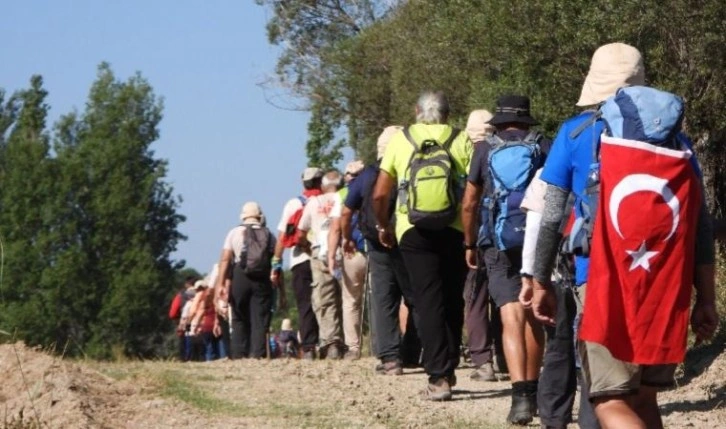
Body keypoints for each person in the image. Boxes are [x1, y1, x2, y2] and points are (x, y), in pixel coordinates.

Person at [530, 43, 718, 429]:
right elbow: (699, 224)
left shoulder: (576, 132)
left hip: (601, 281)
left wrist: (538, 280)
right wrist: (706, 298)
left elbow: (551, 217)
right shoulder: (676, 143)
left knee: (610, 401)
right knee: (645, 399)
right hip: (665, 285)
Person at [372, 91, 472, 400]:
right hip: (454, 227)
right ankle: (450, 364)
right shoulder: (461, 138)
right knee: (453, 299)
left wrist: (384, 225)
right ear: (447, 113)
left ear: (417, 111)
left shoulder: (402, 139)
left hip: (413, 229)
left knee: (427, 300)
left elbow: (379, 194)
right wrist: (471, 236)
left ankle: (438, 377)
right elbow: (471, 195)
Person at [462, 95, 547, 424]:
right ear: (527, 120)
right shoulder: (543, 146)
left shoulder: (484, 149)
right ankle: (535, 390)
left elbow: (470, 202)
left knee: (510, 316)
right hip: (537, 241)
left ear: (498, 121)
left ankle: (520, 399)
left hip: (496, 241)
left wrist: (470, 242)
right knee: (533, 315)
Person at [337, 125, 421, 374]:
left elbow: (346, 211)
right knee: (415, 297)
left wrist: (347, 238)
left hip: (377, 244)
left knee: (384, 299)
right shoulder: (411, 169)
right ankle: (414, 351)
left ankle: (390, 358)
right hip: (409, 242)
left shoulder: (366, 175)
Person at [462, 109, 502, 381]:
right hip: (508, 234)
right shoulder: (507, 147)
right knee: (505, 298)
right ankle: (510, 358)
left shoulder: (474, 153)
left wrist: (468, 242)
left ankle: (482, 360)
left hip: (480, 236)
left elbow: (468, 203)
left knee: (475, 297)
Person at [271, 167, 323, 359]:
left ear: (303, 183)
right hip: (324, 258)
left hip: (300, 260)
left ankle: (308, 347)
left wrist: (276, 265)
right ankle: (330, 343)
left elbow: (282, 237)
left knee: (305, 304)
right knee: (327, 303)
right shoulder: (327, 201)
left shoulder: (294, 203)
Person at [214, 201, 276, 359]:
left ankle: (239, 354)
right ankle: (257, 354)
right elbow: (275, 260)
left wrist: (220, 284)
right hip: (262, 278)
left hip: (240, 276)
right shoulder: (268, 234)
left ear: (243, 216)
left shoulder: (234, 233)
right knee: (259, 318)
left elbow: (225, 259)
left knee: (239, 316)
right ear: (259, 216)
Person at [297, 171, 345, 359]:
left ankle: (330, 342)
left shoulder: (313, 203)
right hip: (344, 250)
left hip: (320, 252)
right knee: (347, 299)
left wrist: (310, 249)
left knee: (324, 299)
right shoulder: (345, 197)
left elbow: (300, 233)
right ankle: (349, 343)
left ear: (323, 186)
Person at [327, 160, 368, 360]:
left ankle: (353, 348)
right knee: (380, 299)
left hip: (352, 252)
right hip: (375, 251)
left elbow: (335, 228)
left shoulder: (342, 195)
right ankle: (384, 348)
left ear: (346, 177)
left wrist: (331, 256)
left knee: (351, 300)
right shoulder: (375, 185)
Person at [169, 276, 197, 361]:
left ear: (186, 284)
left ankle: (185, 359)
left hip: (184, 323)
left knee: (184, 344)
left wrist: (177, 320)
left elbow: (172, 313)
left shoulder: (181, 296)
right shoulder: (204, 294)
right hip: (202, 324)